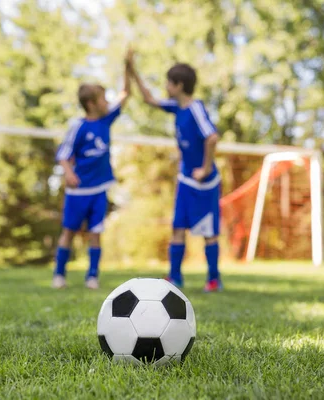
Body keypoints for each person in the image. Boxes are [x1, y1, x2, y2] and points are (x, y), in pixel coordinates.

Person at [129, 53, 223, 292]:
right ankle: (175, 277)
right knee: (178, 226)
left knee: (208, 231)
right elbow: (149, 99)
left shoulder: (196, 109)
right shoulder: (176, 107)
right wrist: (132, 70)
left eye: (168, 82)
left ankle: (213, 279)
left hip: (205, 184)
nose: (165, 87)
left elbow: (212, 137)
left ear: (179, 85)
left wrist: (206, 168)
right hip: (185, 180)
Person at [52, 50, 132, 290]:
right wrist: (69, 173)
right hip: (78, 192)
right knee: (69, 232)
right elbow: (63, 155)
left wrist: (128, 67)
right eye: (103, 98)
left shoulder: (106, 120)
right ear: (91, 104)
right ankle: (59, 275)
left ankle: (92, 276)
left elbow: (126, 93)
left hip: (99, 189)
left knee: (96, 233)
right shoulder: (78, 127)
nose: (108, 102)